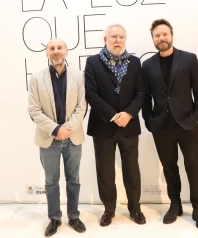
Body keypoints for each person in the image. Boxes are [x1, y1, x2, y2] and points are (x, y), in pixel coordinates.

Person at [142, 18, 198, 230]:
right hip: (161, 127)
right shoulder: (148, 65)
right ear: (153, 39)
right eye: (157, 35)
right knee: (170, 168)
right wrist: (149, 120)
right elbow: (145, 97)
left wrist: (197, 116)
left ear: (172, 35)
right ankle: (175, 204)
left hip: (187, 124)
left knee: (193, 166)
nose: (161, 38)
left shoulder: (189, 59)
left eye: (164, 34)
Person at [85, 24, 146, 227]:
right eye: (113, 36)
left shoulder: (135, 62)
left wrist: (128, 113)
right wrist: (113, 115)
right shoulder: (93, 62)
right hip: (103, 126)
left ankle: (135, 208)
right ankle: (109, 209)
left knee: (132, 170)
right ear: (105, 39)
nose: (117, 40)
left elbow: (141, 93)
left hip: (129, 125)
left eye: (121, 37)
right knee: (105, 171)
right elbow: (91, 93)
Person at [28, 38, 87, 237]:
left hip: (73, 137)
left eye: (59, 48)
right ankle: (54, 218)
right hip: (48, 138)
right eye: (51, 48)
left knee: (74, 180)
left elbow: (82, 107)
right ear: (46, 53)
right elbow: (34, 111)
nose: (55, 51)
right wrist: (55, 130)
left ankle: (74, 216)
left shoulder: (79, 76)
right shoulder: (36, 78)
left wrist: (66, 129)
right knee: (51, 181)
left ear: (66, 51)